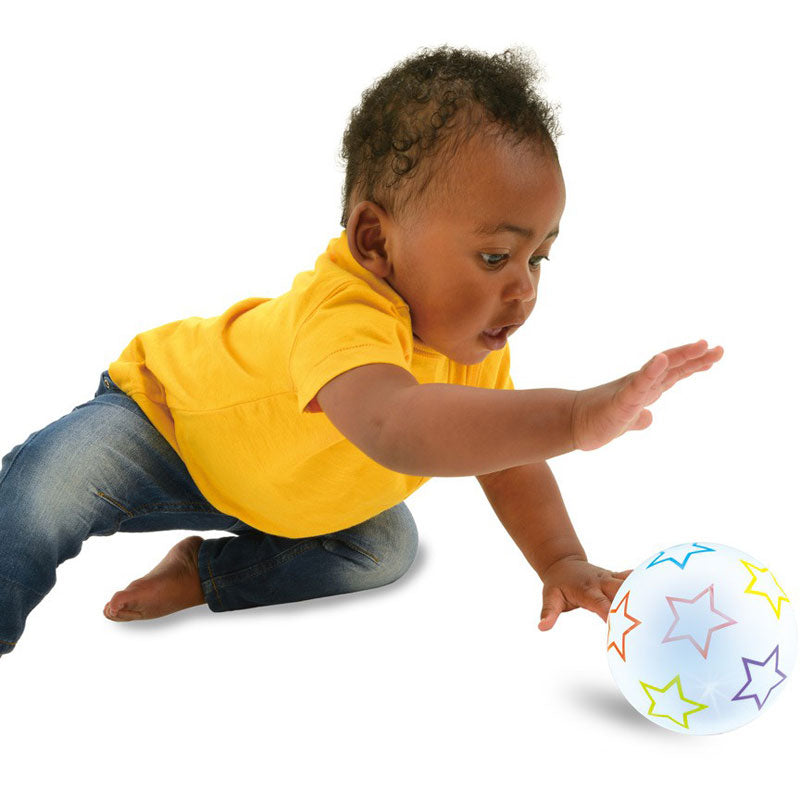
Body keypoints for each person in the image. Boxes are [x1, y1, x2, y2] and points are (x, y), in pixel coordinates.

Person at [0, 45, 723, 659]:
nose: (524, 290)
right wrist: (574, 417)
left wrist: (561, 558)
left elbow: (503, 457)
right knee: (46, 492)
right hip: (164, 428)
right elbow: (394, 423)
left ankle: (206, 574)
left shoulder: (473, 344)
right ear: (375, 240)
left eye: (539, 259)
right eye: (497, 254)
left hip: (281, 491)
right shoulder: (343, 307)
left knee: (381, 550)